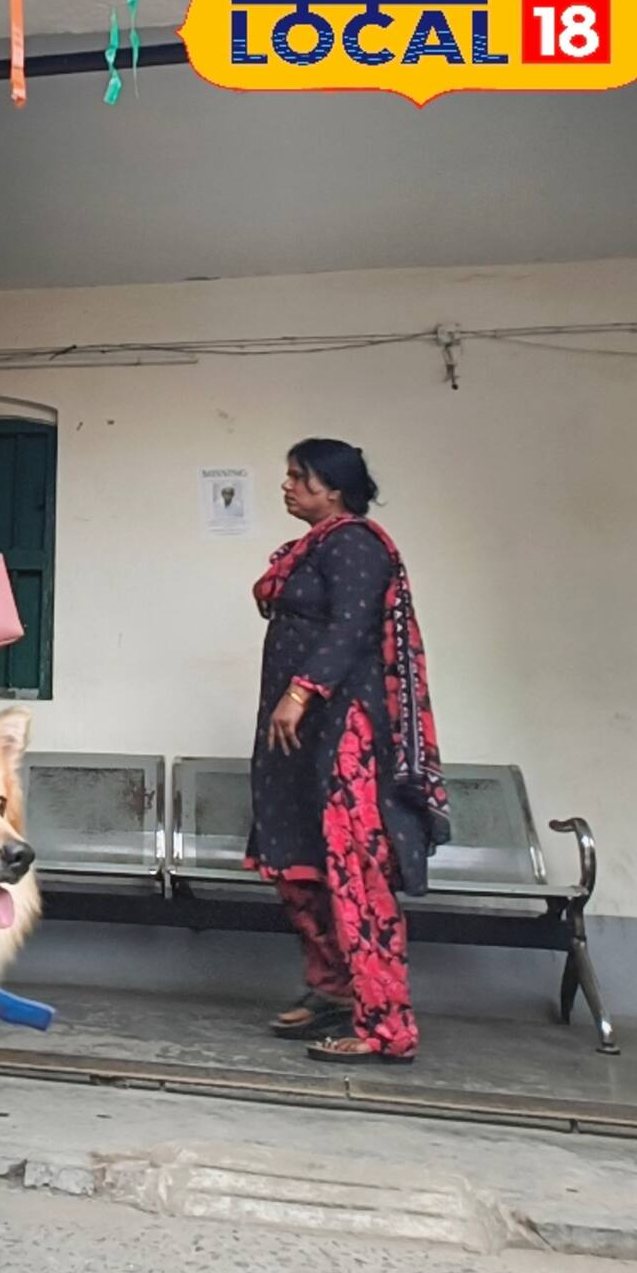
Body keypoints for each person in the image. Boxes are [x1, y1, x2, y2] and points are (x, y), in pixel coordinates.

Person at [250, 440, 451, 1065]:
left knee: (355, 865)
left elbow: (351, 626)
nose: (287, 486)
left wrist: (302, 692)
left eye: (299, 477)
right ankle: (334, 990)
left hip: (345, 729)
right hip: (301, 733)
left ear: (334, 488)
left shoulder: (356, 544)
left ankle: (386, 1024)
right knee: (299, 861)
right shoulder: (313, 546)